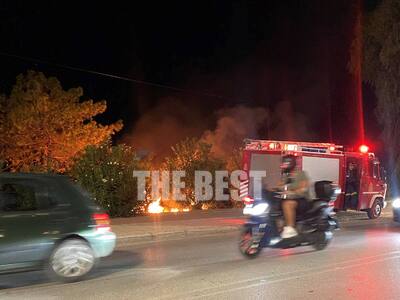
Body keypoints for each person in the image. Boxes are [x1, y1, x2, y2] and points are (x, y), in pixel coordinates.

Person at [279, 154, 311, 239]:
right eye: (283, 163)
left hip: (302, 200)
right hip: (291, 199)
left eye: (286, 163)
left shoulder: (301, 174)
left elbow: (304, 187)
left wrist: (294, 192)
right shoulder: (286, 175)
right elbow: (281, 186)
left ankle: (290, 229)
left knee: (287, 204)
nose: (284, 165)